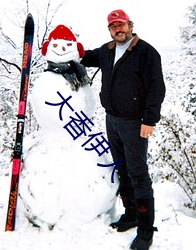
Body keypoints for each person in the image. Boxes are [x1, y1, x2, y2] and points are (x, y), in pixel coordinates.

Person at [81, 9, 165, 250]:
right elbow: (84, 56)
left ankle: (146, 231)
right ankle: (131, 214)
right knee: (122, 168)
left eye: (121, 24)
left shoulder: (146, 52)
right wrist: (61, 47)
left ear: (130, 24)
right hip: (112, 120)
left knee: (138, 174)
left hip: (135, 123)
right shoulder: (107, 51)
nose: (118, 29)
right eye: (113, 26)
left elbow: (156, 88)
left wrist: (149, 120)